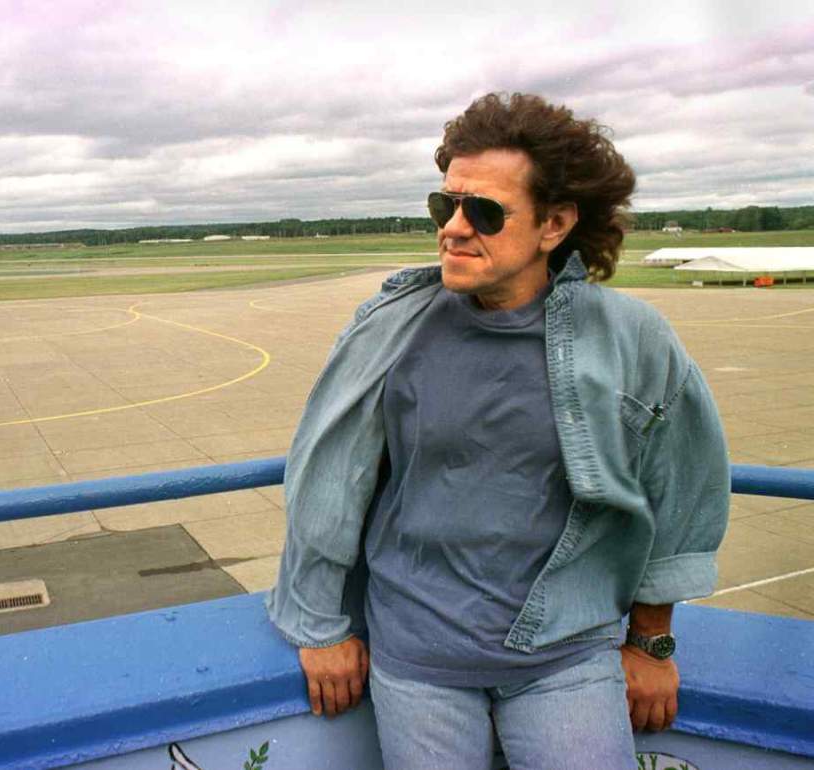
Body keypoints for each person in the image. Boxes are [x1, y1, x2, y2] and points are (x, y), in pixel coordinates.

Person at [266, 92, 730, 769]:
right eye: (445, 205)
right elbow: (330, 479)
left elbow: (683, 490)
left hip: (566, 652)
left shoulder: (633, 340)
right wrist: (319, 626)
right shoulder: (390, 329)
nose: (454, 229)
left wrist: (651, 642)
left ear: (555, 224)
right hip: (418, 655)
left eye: (484, 212)